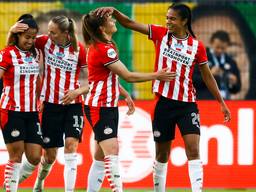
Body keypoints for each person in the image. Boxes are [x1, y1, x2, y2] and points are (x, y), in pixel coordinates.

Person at [96, 3, 231, 192]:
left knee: (193, 150)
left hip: (187, 105)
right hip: (163, 104)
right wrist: (115, 11)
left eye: (172, 18)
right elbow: (129, 23)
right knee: (162, 155)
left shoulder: (197, 46)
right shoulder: (160, 34)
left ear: (184, 21)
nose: (168, 21)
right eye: (167, 18)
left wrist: (221, 103)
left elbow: (207, 76)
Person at [82, 10, 176, 192]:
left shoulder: (106, 45)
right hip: (99, 107)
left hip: (107, 105)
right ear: (102, 28)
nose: (114, 21)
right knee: (113, 153)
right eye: (110, 19)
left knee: (101, 159)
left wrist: (124, 94)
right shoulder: (103, 49)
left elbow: (106, 78)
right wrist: (157, 75)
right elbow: (128, 75)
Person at [9, 15, 89, 192]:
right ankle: (38, 183)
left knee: (71, 146)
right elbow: (19, 45)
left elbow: (92, 81)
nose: (48, 34)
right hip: (50, 106)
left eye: (53, 32)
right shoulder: (44, 42)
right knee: (50, 156)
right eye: (48, 31)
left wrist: (77, 91)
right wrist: (12, 31)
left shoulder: (80, 51)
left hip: (74, 105)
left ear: (65, 33)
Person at [0, 14, 42, 192]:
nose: (31, 41)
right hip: (11, 111)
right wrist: (10, 31)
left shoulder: (37, 53)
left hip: (32, 112)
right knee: (15, 157)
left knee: (34, 157)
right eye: (27, 37)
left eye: (33, 37)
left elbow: (39, 79)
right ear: (17, 36)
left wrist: (40, 98)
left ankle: (10, 181)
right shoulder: (7, 54)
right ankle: (11, 187)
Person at [193, 30, 241, 99]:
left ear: (227, 46)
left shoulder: (231, 62)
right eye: (217, 47)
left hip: (226, 102)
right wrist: (209, 75)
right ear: (211, 43)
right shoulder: (200, 57)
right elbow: (193, 80)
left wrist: (233, 83)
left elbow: (237, 89)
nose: (220, 50)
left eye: (223, 48)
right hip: (205, 101)